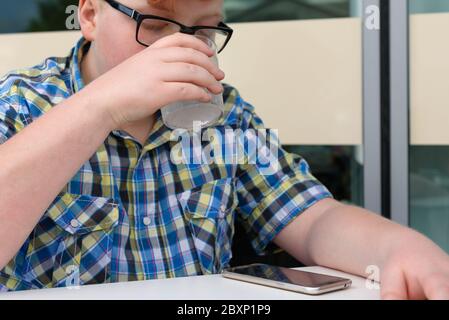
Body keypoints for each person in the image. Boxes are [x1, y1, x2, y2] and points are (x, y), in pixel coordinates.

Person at [0, 0, 448, 299]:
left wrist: (397, 248)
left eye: (206, 32)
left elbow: (312, 217)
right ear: (90, 15)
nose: (183, 47)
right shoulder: (19, 103)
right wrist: (101, 106)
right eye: (154, 24)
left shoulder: (225, 114)